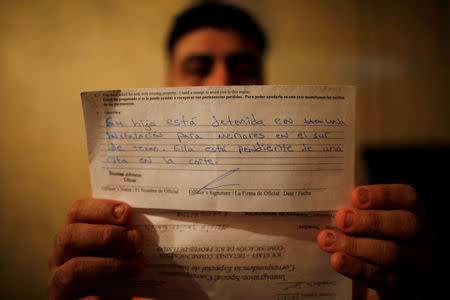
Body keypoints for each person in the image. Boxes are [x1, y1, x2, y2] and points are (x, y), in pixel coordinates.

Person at [47, 2, 438, 299]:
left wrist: (414, 283)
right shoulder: (116, 207)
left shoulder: (343, 199)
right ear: (165, 85)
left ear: (265, 81)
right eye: (198, 67)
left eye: (242, 66)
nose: (221, 83)